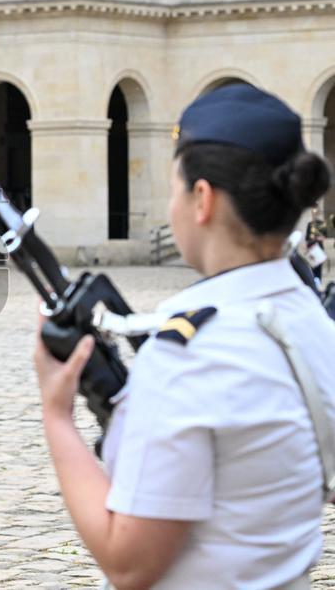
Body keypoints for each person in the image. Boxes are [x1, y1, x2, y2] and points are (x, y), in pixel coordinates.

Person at [34, 84, 335, 589]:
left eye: (173, 187)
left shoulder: (192, 351)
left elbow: (129, 561)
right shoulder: (312, 319)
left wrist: (56, 414)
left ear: (202, 199)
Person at [306, 204, 327, 284]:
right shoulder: (309, 224)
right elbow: (307, 238)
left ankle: (318, 282)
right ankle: (313, 282)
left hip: (319, 248)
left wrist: (316, 238)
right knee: (312, 267)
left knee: (319, 267)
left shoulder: (321, 223)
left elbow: (323, 237)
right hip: (311, 248)